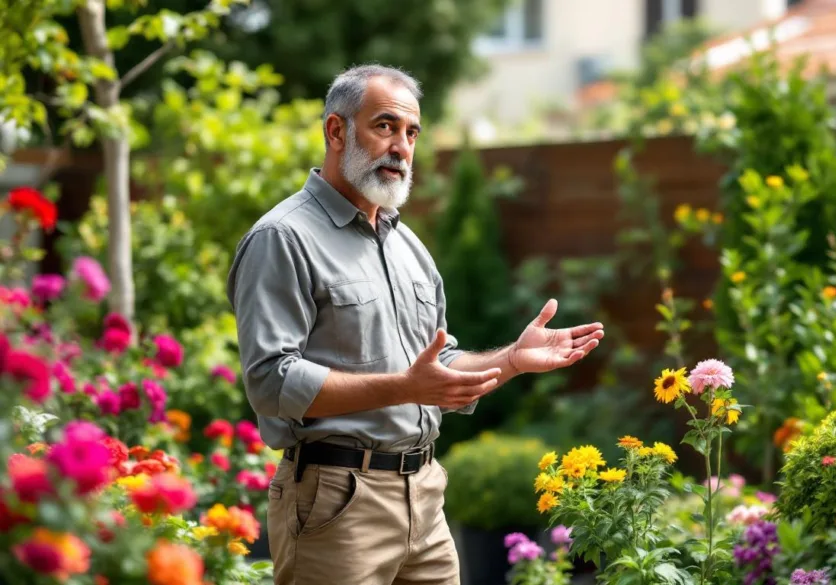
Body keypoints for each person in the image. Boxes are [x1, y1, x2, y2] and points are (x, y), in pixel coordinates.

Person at [226, 64, 604, 585]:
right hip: (337, 502)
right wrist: (406, 387)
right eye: (384, 126)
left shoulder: (408, 247)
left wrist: (511, 360)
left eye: (411, 133)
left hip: (424, 495)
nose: (401, 146)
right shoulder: (283, 238)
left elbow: (439, 364)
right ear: (336, 132)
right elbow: (271, 382)